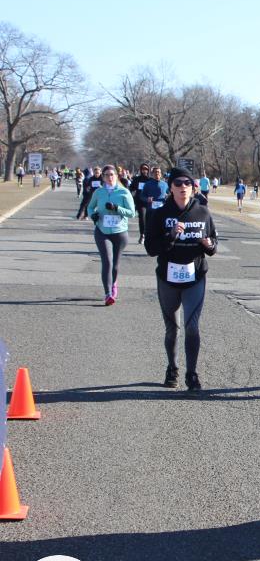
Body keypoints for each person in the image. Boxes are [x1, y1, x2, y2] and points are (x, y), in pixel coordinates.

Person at [144, 167, 218, 393]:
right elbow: (151, 248)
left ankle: (192, 374)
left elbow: (213, 244)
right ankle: (172, 369)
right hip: (168, 278)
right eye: (178, 183)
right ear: (170, 187)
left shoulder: (203, 212)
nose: (183, 187)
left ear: (194, 187)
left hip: (195, 277)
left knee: (192, 327)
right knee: (172, 329)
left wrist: (209, 245)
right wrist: (171, 235)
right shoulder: (159, 214)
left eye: (187, 183)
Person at [87, 165, 136, 305]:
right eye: (107, 175)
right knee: (107, 262)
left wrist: (117, 208)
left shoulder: (124, 192)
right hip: (102, 231)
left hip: (120, 232)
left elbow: (132, 213)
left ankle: (114, 283)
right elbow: (90, 207)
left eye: (112, 174)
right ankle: (108, 294)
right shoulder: (99, 192)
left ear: (116, 176)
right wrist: (93, 215)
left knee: (115, 264)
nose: (110, 177)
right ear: (103, 177)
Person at [129, 164, 152, 244]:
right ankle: (142, 234)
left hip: (149, 202)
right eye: (143, 169)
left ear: (148, 170)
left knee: (149, 218)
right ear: (141, 170)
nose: (144, 170)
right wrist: (133, 192)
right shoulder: (137, 179)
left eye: (146, 169)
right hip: (140, 201)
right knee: (142, 217)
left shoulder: (150, 180)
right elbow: (131, 188)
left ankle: (149, 234)